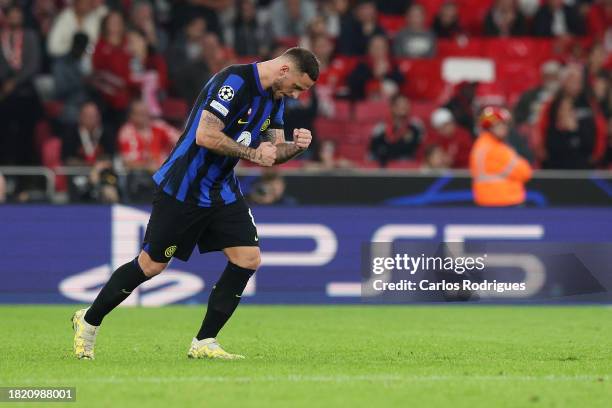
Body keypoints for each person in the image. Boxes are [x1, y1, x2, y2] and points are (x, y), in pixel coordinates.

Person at [71, 47, 319, 360]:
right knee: (151, 265)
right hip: (183, 188)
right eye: (297, 87)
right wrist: (255, 154)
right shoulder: (233, 81)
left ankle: (204, 341)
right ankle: (89, 320)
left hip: (221, 190)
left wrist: (294, 148)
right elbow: (205, 135)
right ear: (284, 70)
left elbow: (273, 150)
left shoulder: (275, 97)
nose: (296, 95)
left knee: (248, 258)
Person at [0, 5, 43, 165]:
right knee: (4, 135)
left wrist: (15, 82)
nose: (15, 18)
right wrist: (5, 81)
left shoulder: (30, 36)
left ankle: (24, 174)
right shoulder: (1, 37)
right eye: (12, 14)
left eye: (18, 14)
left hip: (26, 93)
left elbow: (33, 65)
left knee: (25, 137)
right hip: (4, 94)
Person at [470, 107, 532, 207]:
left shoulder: (481, 144)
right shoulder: (495, 148)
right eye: (499, 125)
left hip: (491, 200)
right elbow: (525, 172)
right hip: (503, 201)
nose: (504, 128)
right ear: (489, 126)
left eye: (504, 124)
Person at [369, 94, 423, 166]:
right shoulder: (381, 126)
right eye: (399, 105)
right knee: (371, 157)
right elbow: (374, 146)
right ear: (392, 107)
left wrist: (389, 148)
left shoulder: (415, 125)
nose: (403, 107)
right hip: (384, 159)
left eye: (406, 104)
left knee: (405, 158)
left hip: (404, 159)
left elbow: (412, 147)